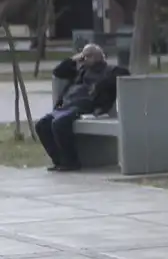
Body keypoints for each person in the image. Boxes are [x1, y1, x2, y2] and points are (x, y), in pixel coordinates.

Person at [37, 44, 126, 172]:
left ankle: (71, 162)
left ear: (98, 57)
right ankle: (59, 161)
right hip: (67, 106)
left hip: (87, 106)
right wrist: (74, 59)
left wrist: (99, 84)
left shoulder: (109, 70)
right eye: (83, 56)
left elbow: (124, 73)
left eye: (88, 56)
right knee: (42, 124)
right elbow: (58, 71)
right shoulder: (80, 71)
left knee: (59, 123)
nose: (84, 59)